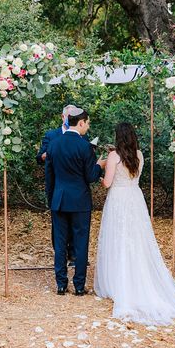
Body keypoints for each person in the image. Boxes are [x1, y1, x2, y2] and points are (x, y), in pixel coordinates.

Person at [94, 122, 175, 326]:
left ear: (118, 137)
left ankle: (118, 283)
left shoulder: (113, 156)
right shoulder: (139, 155)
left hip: (118, 200)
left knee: (118, 239)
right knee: (137, 240)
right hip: (135, 199)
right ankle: (136, 276)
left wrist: (99, 166)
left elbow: (107, 183)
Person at [45, 108, 106, 296]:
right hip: (80, 201)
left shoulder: (54, 145)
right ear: (80, 123)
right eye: (87, 123)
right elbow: (90, 177)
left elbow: (50, 177)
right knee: (81, 243)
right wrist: (99, 165)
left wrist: (51, 200)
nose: (87, 127)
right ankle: (79, 286)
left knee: (60, 242)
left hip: (59, 200)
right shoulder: (85, 146)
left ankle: (61, 285)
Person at [36, 105, 88, 265]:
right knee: (59, 225)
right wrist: (48, 155)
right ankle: (61, 254)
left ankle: (74, 255)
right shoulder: (51, 135)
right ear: (62, 116)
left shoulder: (82, 136)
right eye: (69, 115)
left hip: (77, 187)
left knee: (76, 224)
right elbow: (39, 157)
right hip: (57, 185)